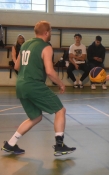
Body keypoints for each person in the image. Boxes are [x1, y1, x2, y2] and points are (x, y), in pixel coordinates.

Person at [1, 21, 76, 156]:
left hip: (20, 85)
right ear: (46, 32)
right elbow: (50, 72)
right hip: (34, 85)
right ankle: (60, 145)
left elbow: (17, 67)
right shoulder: (46, 47)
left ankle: (10, 144)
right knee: (60, 110)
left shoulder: (25, 44)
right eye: (51, 32)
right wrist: (61, 83)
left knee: (35, 117)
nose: (51, 34)